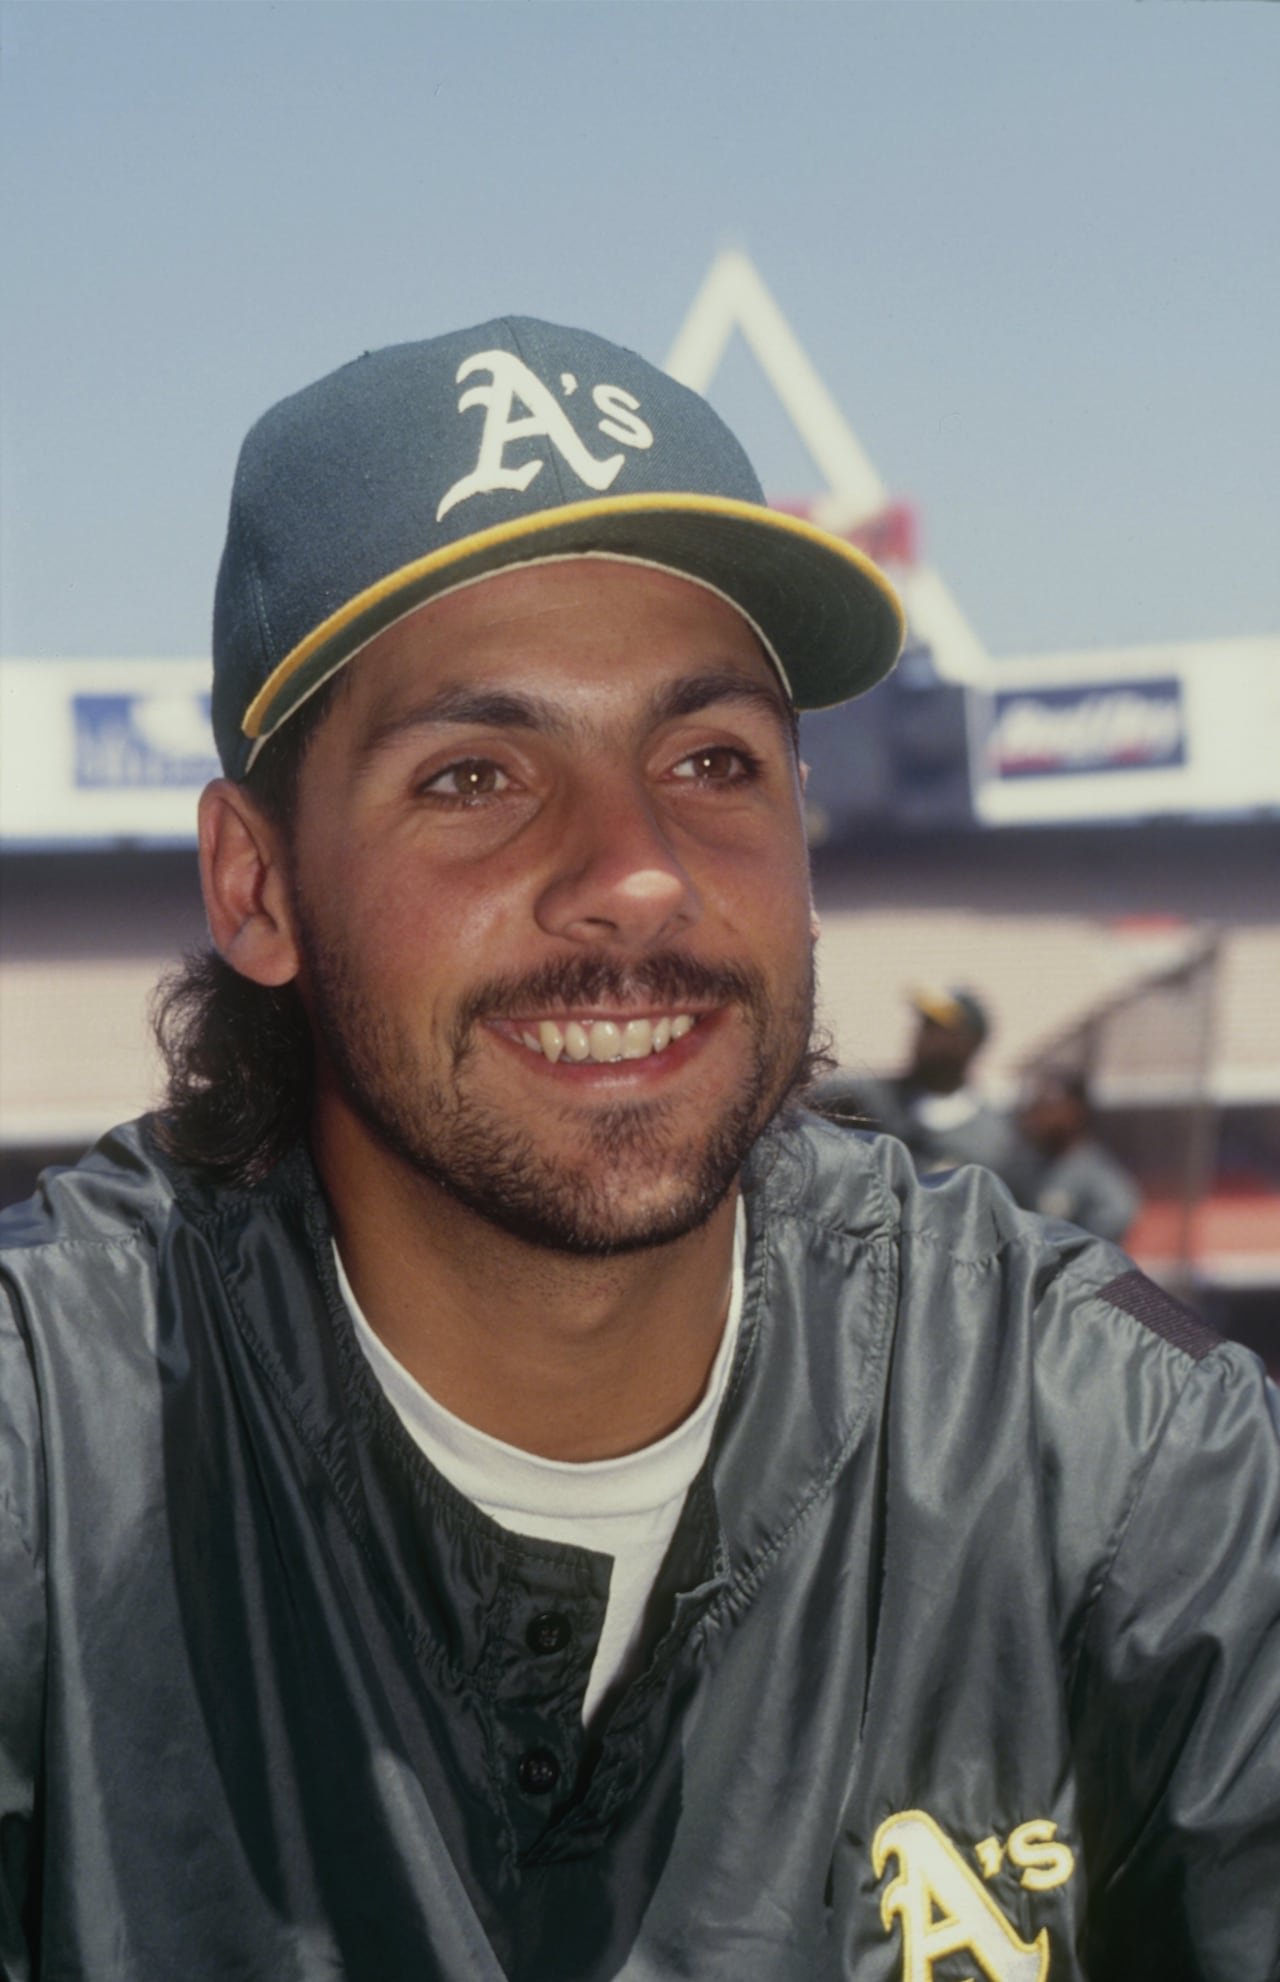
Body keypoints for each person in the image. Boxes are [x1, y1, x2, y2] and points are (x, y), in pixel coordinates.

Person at [1, 318, 1277, 1982]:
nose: (638, 872)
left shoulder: (1128, 1459)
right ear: (254, 885)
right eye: (474, 773)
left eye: (709, 760)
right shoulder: (52, 1434)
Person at [813, 984, 1030, 1190]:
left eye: (940, 1030)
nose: (925, 1037)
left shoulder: (994, 1138)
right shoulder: (863, 1098)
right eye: (925, 1026)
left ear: (971, 1043)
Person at [1018, 1068, 1142, 1245]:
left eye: (1047, 1106)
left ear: (1076, 1110)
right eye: (1034, 1105)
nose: (1035, 1115)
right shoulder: (1029, 1167)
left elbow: (1119, 1213)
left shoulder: (1097, 1174)